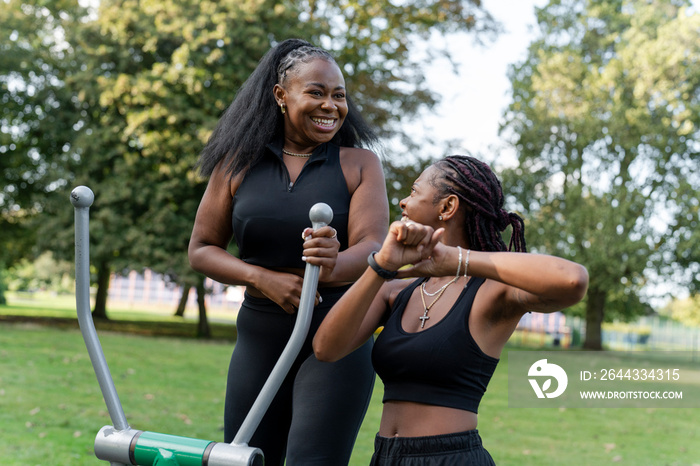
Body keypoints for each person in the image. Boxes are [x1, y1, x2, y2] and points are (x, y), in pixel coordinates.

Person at [188, 38, 389, 465]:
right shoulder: (236, 164)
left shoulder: (360, 165)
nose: (330, 105)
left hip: (336, 334)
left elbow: (374, 248)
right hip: (259, 335)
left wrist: (332, 262)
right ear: (281, 96)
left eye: (339, 95)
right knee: (245, 457)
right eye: (316, 92)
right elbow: (202, 249)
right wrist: (261, 278)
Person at [313, 155, 589, 465]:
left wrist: (459, 259)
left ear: (447, 207)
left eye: (415, 192)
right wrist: (381, 266)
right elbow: (326, 348)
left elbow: (572, 280)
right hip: (385, 457)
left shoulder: (491, 292)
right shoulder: (396, 289)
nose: (403, 202)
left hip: (452, 458)